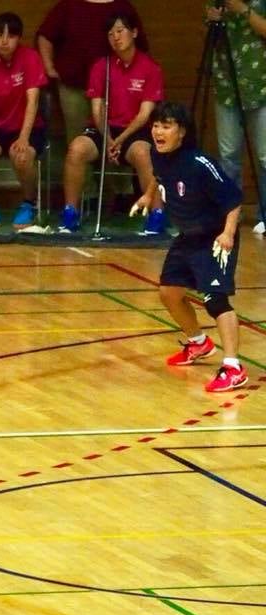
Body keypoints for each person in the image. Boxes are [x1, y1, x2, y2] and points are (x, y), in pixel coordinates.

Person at [130, 102, 246, 392]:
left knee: (215, 300)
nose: (158, 131)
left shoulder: (200, 164)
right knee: (169, 292)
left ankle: (234, 367)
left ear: (181, 132)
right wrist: (147, 196)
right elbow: (159, 176)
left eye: (166, 126)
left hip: (215, 236)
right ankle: (199, 343)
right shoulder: (158, 154)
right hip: (188, 237)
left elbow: (234, 200)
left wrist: (228, 234)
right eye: (156, 125)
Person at [57, 12, 164, 233]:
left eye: (120, 31)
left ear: (134, 33)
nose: (115, 37)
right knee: (76, 149)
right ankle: (70, 213)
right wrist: (107, 139)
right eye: (110, 33)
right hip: (104, 129)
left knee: (144, 154)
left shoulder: (150, 68)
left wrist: (119, 140)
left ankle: (156, 214)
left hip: (134, 131)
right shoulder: (101, 66)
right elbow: (97, 110)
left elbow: (144, 115)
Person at [0, 12, 48, 229]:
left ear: (19, 38)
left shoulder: (30, 58)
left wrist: (24, 137)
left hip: (25, 127)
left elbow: (33, 102)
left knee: (22, 156)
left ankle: (29, 203)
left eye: (10, 36)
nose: (4, 41)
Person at [37, 0, 149, 142]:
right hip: (74, 85)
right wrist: (49, 67)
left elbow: (139, 45)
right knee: (77, 138)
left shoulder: (123, 6)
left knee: (115, 135)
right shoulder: (68, 5)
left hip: (113, 87)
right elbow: (45, 36)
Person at [205, 0, 266, 234]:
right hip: (226, 86)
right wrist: (212, 21)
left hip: (260, 84)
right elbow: (207, 39)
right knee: (228, 155)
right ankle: (231, 213)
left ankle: (264, 214)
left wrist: (242, 9)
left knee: (265, 155)